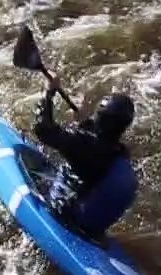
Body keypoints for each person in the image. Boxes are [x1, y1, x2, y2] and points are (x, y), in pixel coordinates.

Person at [32, 76, 137, 243]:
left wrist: (48, 94)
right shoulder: (120, 152)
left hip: (65, 214)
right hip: (90, 223)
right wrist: (85, 125)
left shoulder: (82, 143)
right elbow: (96, 144)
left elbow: (42, 129)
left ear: (100, 117)